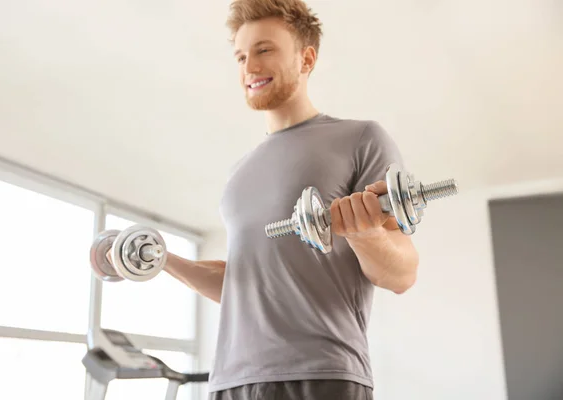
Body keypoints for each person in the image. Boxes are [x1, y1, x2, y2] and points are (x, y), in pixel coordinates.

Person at [163, 0, 420, 398]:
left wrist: (365, 234)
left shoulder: (360, 139)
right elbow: (243, 283)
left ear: (306, 59)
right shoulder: (239, 173)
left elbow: (402, 275)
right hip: (230, 383)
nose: (249, 67)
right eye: (241, 56)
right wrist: (162, 259)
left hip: (322, 375)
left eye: (264, 50)